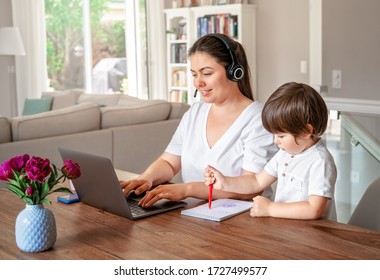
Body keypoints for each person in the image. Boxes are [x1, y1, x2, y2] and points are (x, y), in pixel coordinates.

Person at [120, 33, 277, 207]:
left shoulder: (258, 119)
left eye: (207, 73)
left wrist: (188, 189)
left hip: (242, 220)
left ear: (234, 72)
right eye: (194, 74)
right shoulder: (195, 112)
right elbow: (169, 162)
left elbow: (253, 187)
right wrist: (146, 178)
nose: (198, 83)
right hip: (194, 214)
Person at [204, 82, 337, 220]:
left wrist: (270, 208)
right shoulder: (284, 154)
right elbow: (257, 181)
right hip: (286, 232)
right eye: (274, 135)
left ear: (306, 131)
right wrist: (225, 182)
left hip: (312, 237)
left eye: (281, 136)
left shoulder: (320, 161)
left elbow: (314, 209)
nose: (275, 141)